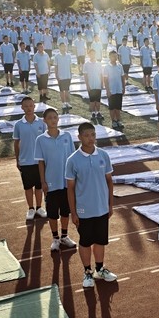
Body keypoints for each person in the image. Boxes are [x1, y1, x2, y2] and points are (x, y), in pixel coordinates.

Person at [66, 121, 118, 287]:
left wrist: (110, 205)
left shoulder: (103, 155)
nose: (90, 138)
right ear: (79, 137)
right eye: (87, 135)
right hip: (84, 210)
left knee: (100, 241)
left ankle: (100, 269)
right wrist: (73, 212)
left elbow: (109, 182)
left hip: (102, 208)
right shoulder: (72, 160)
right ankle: (87, 272)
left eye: (93, 135)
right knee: (85, 241)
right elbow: (70, 189)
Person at [35, 108, 79, 253]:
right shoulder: (40, 140)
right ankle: (55, 238)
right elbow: (41, 162)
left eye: (55, 117)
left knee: (65, 212)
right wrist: (43, 181)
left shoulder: (66, 136)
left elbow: (73, 159)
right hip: (51, 183)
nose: (53, 120)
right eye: (50, 118)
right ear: (45, 121)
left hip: (66, 182)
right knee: (53, 213)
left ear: (58, 119)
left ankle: (64, 236)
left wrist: (75, 178)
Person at [13, 96, 48, 221]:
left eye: (31, 105)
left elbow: (45, 141)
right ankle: (31, 209)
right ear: (22, 108)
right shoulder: (18, 125)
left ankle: (39, 207)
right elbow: (16, 143)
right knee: (28, 187)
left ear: (34, 106)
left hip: (39, 161)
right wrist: (17, 160)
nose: (28, 108)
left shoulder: (42, 123)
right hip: (25, 161)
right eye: (26, 106)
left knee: (39, 186)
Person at [104, 49, 125, 131]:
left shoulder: (120, 66)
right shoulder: (106, 67)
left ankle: (118, 120)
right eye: (113, 56)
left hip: (119, 89)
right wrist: (107, 90)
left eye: (116, 56)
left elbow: (122, 77)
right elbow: (105, 79)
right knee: (112, 107)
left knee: (118, 106)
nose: (115, 57)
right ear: (110, 57)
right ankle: (113, 121)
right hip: (111, 90)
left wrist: (123, 88)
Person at [82, 48, 104, 124]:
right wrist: (87, 85)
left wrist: (102, 83)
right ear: (89, 55)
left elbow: (101, 74)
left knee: (98, 100)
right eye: (91, 54)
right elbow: (85, 75)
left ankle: (98, 112)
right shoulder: (86, 64)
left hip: (98, 85)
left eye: (94, 54)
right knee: (92, 101)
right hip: (91, 85)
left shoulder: (99, 64)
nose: (92, 55)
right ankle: (93, 113)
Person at [55, 42, 74, 112]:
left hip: (67, 76)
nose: (63, 48)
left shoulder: (68, 56)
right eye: (62, 46)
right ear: (59, 47)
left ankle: (67, 103)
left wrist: (70, 74)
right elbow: (56, 67)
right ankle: (63, 103)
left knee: (67, 90)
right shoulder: (57, 56)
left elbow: (70, 66)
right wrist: (56, 75)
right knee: (62, 91)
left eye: (64, 46)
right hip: (61, 76)